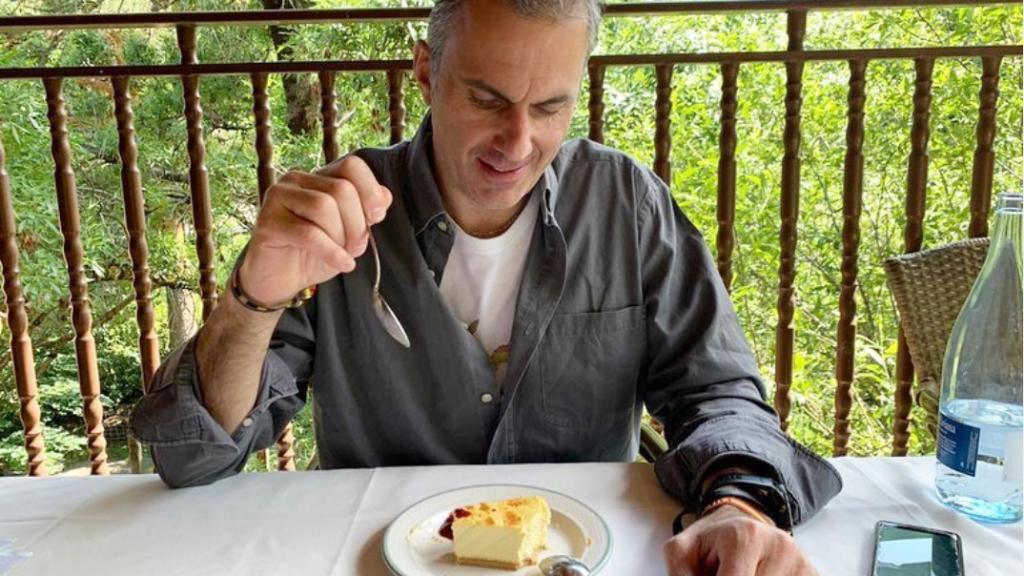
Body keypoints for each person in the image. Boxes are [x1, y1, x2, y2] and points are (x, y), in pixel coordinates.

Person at [131, 0, 842, 573]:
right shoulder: (339, 220)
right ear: (425, 72)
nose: (518, 143)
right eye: (486, 98)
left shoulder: (625, 204)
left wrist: (737, 506)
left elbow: (717, 391)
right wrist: (253, 295)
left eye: (550, 107)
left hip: (579, 562)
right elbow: (194, 455)